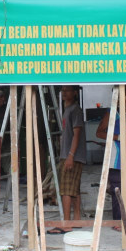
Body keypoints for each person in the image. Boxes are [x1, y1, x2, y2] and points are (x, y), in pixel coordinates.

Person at [96, 86, 126, 230]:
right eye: (120, 96)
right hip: (116, 159)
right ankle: (117, 222)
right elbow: (99, 133)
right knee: (118, 191)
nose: (124, 100)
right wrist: (118, 137)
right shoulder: (111, 113)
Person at [48, 86, 86, 234]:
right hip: (71, 155)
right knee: (74, 189)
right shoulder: (67, 109)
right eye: (62, 90)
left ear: (75, 93)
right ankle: (76, 219)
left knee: (65, 190)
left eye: (68, 90)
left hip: (72, 156)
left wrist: (70, 155)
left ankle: (66, 223)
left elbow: (77, 134)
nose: (64, 93)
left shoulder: (75, 110)